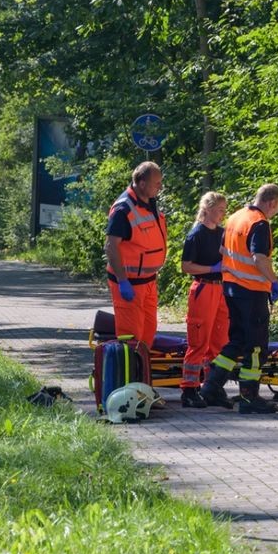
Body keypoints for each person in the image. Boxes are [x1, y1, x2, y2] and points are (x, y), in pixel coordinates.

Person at [199, 184, 278, 415]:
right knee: (256, 347)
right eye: (277, 207)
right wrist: (274, 281)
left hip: (231, 289)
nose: (275, 212)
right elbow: (259, 258)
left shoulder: (236, 217)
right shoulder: (259, 223)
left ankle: (211, 387)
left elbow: (222, 250)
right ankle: (249, 397)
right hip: (252, 291)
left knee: (236, 341)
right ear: (271, 203)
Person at [104, 161, 167, 349]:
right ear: (141, 184)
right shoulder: (123, 209)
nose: (160, 187)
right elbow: (111, 246)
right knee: (131, 339)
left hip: (148, 282)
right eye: (156, 183)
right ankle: (129, 376)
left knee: (147, 334)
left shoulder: (149, 203)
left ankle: (142, 374)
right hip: (130, 284)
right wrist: (122, 280)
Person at [179, 192, 229, 408]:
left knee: (219, 343)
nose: (222, 214)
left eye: (224, 210)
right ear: (207, 209)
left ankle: (212, 387)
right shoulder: (196, 234)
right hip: (204, 288)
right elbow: (186, 266)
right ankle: (189, 390)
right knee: (199, 341)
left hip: (221, 291)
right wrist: (211, 268)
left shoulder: (222, 233)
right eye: (220, 210)